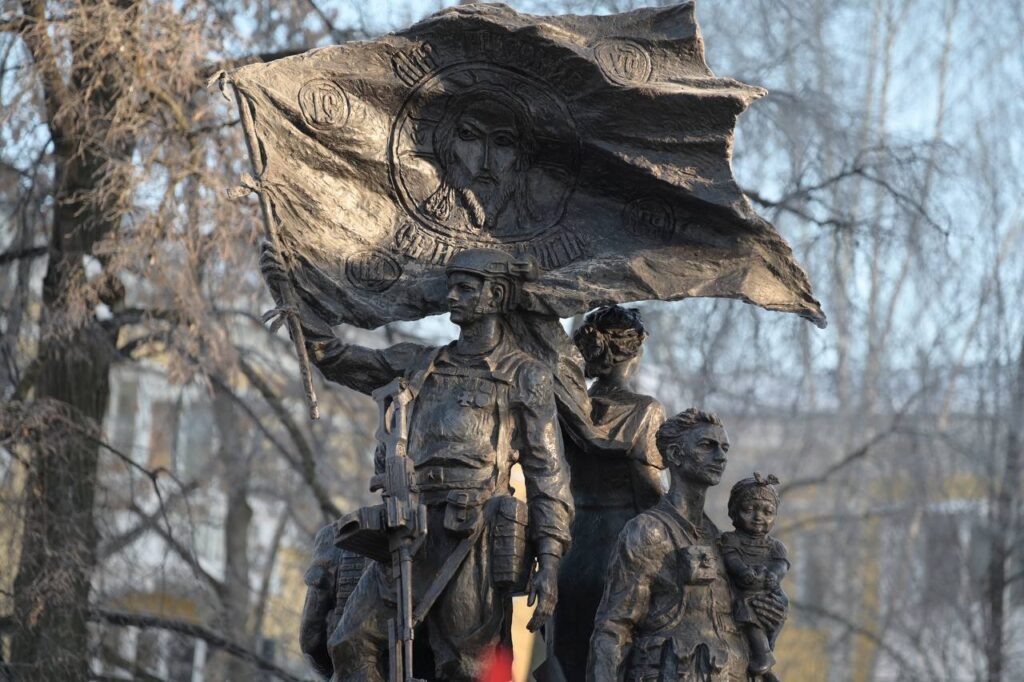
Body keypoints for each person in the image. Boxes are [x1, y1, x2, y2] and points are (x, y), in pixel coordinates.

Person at [263, 246, 573, 682]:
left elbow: (548, 475)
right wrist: (287, 290)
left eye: (466, 288)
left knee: (467, 666)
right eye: (451, 287)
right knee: (350, 643)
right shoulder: (420, 363)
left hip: (472, 533)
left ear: (497, 295)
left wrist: (550, 563)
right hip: (408, 527)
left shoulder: (525, 376)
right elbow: (335, 356)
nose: (453, 297)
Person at [588, 409, 787, 682]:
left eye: (724, 448)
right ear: (675, 454)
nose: (721, 456)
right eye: (707, 445)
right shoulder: (649, 531)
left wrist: (770, 619)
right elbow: (614, 628)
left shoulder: (722, 541)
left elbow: (738, 626)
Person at [552, 305, 665, 680]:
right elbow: (649, 493)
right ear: (634, 353)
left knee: (570, 660)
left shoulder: (567, 409)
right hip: (623, 550)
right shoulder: (645, 411)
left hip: (571, 549)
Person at [721, 473, 789, 679]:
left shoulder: (776, 546)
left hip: (770, 590)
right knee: (747, 605)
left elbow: (781, 564)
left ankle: (765, 654)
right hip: (746, 589)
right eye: (749, 510)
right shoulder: (730, 539)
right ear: (734, 512)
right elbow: (731, 559)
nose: (759, 517)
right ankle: (763, 658)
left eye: (767, 512)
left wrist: (774, 576)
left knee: (776, 610)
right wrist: (743, 571)